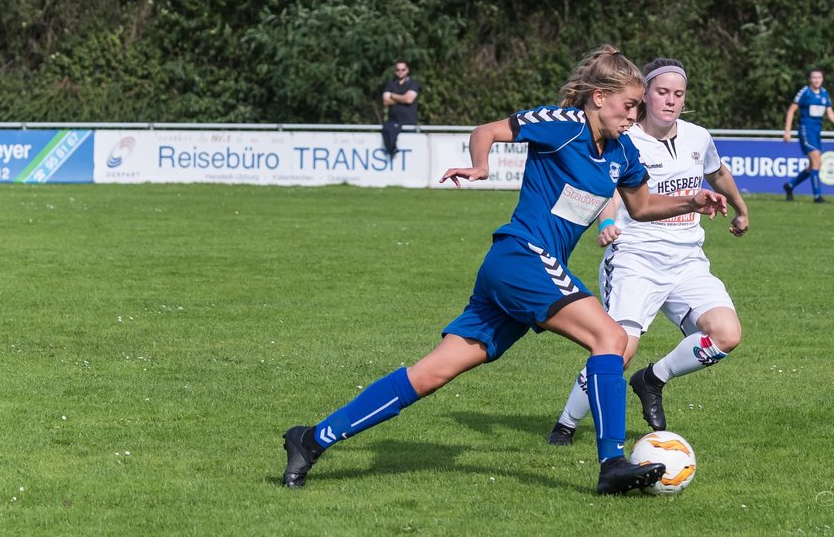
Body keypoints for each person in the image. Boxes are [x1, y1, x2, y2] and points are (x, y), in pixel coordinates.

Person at [282, 46, 728, 493]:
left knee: (432, 374)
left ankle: (312, 439)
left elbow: (643, 205)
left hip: (523, 273)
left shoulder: (623, 152)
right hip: (521, 256)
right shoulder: (561, 125)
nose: (635, 114)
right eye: (629, 105)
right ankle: (611, 462)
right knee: (610, 338)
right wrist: (481, 165)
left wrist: (693, 200)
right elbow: (488, 130)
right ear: (598, 97)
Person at [548, 58, 750, 446]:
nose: (670, 100)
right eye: (662, 92)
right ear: (645, 97)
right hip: (636, 258)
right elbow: (608, 186)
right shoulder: (623, 138)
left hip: (688, 259)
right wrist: (607, 221)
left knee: (726, 335)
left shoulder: (698, 137)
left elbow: (718, 172)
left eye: (678, 94)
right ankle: (566, 424)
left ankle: (652, 379)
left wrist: (741, 209)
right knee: (618, 349)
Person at [782, 68, 834, 203]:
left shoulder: (824, 94)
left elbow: (830, 113)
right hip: (805, 131)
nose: (816, 80)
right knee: (817, 161)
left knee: (813, 164)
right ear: (810, 79)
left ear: (822, 79)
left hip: (817, 133)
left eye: (819, 77)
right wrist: (787, 131)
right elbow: (791, 110)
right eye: (814, 77)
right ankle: (817, 196)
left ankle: (790, 185)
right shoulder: (805, 92)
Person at [380, 60, 420, 158]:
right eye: (398, 69)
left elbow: (409, 99)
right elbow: (385, 101)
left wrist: (393, 95)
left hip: (409, 123)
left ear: (407, 70)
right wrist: (403, 98)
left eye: (403, 69)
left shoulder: (413, 83)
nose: (400, 71)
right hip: (393, 123)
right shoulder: (390, 83)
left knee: (412, 156)